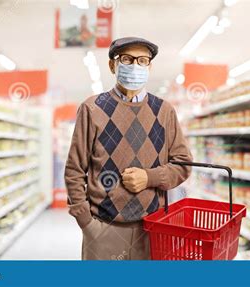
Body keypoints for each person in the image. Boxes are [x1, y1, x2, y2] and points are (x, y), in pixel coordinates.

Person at [64, 37, 192, 260]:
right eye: (127, 59)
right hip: (103, 227)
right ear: (113, 65)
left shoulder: (164, 111)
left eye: (142, 60)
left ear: (149, 66)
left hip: (153, 228)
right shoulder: (92, 108)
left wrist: (150, 177)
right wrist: (86, 221)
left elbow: (183, 165)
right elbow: (75, 169)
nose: (135, 66)